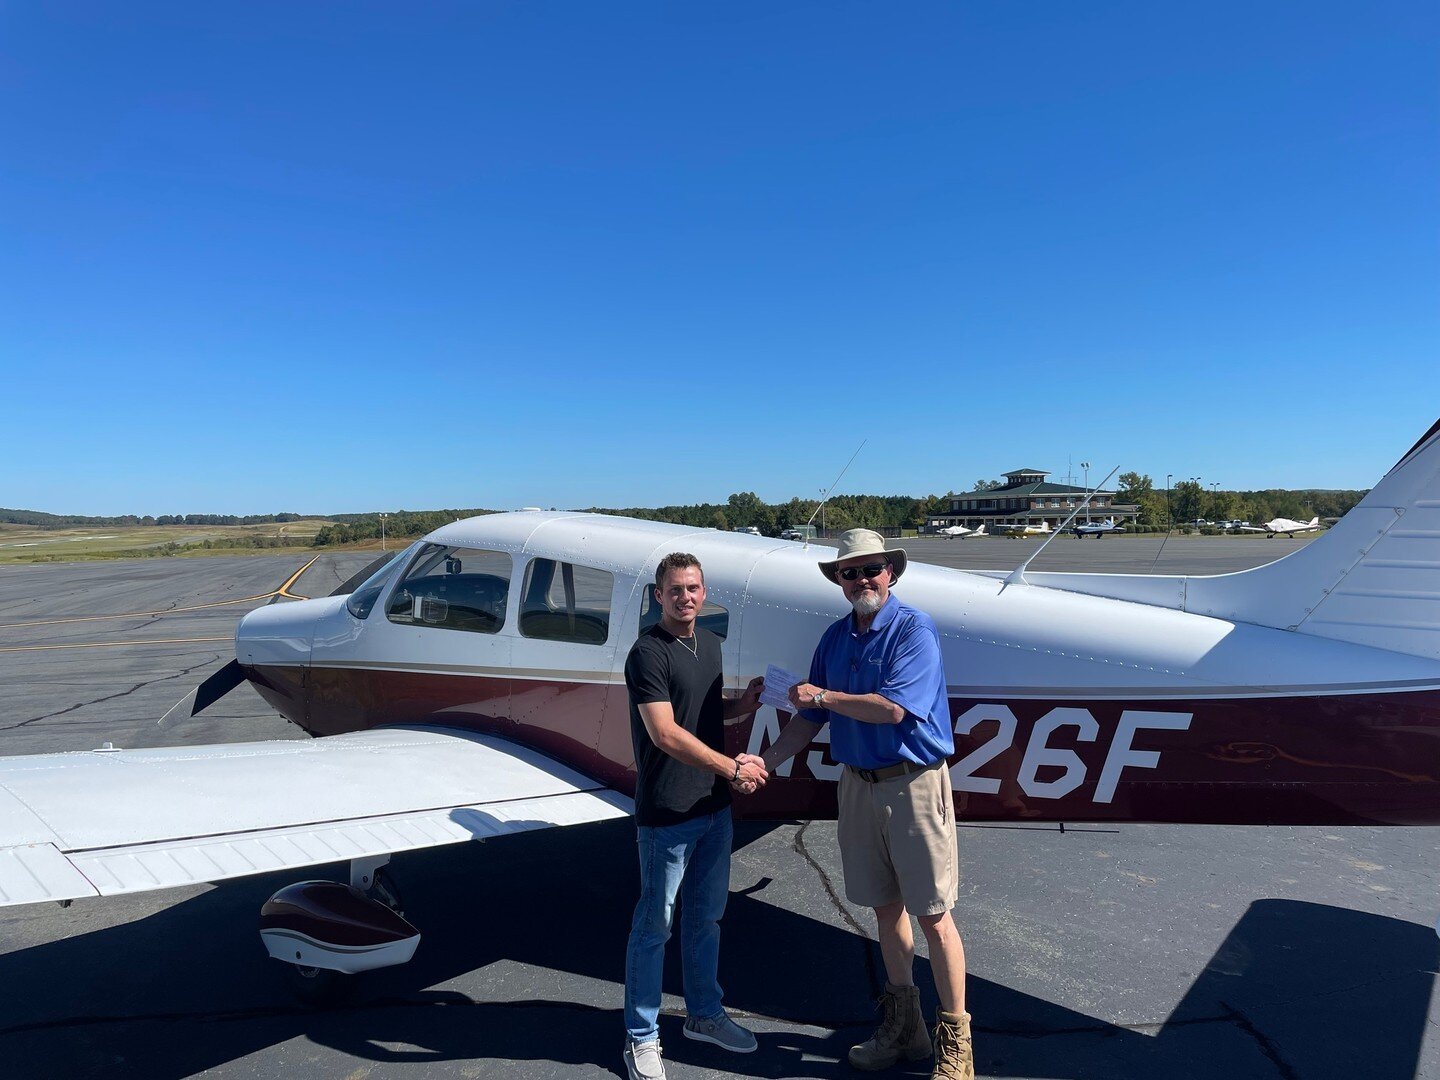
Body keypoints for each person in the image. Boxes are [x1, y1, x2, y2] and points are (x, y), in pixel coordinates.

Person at [761, 529, 974, 1079]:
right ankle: (906, 1030)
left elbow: (893, 710)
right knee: (884, 908)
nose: (861, 580)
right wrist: (766, 761)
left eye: (871, 569)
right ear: (839, 582)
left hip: (914, 784)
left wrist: (823, 696)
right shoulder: (835, 638)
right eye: (849, 573)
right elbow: (809, 719)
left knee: (934, 917)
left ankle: (957, 1046)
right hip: (857, 785)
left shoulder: (913, 629)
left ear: (891, 572)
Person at [622, 551, 768, 1080]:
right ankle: (640, 1036)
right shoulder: (647, 653)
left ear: (705, 594)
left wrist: (743, 705)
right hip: (668, 811)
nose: (686, 597)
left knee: (705, 920)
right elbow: (665, 733)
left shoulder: (709, 644)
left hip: (714, 809)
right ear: (658, 596)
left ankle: (703, 1015)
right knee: (653, 927)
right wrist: (733, 768)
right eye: (676, 589)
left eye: (695, 588)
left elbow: (702, 717)